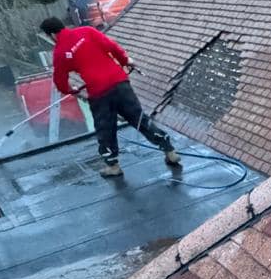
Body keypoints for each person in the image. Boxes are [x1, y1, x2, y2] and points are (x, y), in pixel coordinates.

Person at [39, 17, 180, 178]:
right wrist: (125, 60)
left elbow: (60, 81)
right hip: (120, 84)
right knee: (139, 119)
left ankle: (113, 166)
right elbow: (112, 47)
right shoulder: (88, 31)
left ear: (52, 35)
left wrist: (71, 90)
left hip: (99, 94)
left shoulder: (60, 53)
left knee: (105, 128)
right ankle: (170, 151)